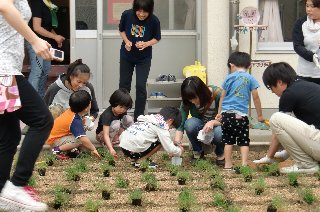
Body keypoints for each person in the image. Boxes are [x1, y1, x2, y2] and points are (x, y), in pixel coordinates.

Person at [0, 0, 54, 211]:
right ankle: (17, 185)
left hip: (7, 68)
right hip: (4, 71)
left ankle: (3, 192)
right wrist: (34, 40)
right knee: (42, 120)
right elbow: (4, 6)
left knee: (8, 136)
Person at [260, 62, 320, 174]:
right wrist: (286, 153)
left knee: (276, 119)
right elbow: (299, 132)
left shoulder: (289, 94)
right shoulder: (307, 87)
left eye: (270, 87)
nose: (272, 91)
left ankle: (306, 165)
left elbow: (278, 132)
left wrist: (269, 156)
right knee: (290, 120)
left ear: (279, 82)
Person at [215, 52, 265, 170]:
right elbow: (256, 97)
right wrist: (260, 115)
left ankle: (227, 164)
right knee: (243, 140)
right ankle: (243, 164)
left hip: (227, 115)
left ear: (232, 65)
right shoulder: (250, 78)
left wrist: (219, 113)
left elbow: (222, 96)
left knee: (228, 141)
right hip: (241, 116)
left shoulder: (228, 78)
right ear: (249, 66)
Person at [119, 0, 161, 121]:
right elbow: (121, 30)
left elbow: (157, 38)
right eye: (139, 11)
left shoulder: (154, 20)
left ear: (150, 10)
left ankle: (139, 118)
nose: (141, 14)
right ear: (134, 8)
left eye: (145, 12)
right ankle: (122, 116)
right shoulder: (127, 15)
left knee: (141, 86)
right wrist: (126, 41)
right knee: (124, 85)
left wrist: (146, 43)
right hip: (127, 55)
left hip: (144, 58)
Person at [174, 76, 225, 166]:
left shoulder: (218, 94)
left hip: (217, 125)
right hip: (201, 127)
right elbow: (181, 123)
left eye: (194, 98)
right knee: (189, 124)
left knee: (219, 132)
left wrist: (212, 122)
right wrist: (176, 145)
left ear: (201, 92)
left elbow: (226, 120)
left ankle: (220, 153)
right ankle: (197, 152)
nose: (192, 101)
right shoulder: (188, 101)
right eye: (189, 99)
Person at [119, 106, 183, 168]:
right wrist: (179, 151)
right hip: (132, 151)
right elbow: (170, 149)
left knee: (152, 138)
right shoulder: (162, 127)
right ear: (170, 121)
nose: (169, 129)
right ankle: (141, 161)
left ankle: (135, 159)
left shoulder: (150, 118)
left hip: (123, 146)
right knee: (160, 141)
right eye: (171, 127)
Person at [25, 0, 65, 97]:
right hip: (35, 42)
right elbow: (37, 27)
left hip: (46, 43)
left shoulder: (49, 5)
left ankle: (40, 98)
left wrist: (57, 37)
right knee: (37, 71)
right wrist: (55, 37)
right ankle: (31, 99)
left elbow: (47, 27)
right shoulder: (37, 2)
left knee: (45, 70)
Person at [48, 90, 101, 159]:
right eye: (90, 102)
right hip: (55, 140)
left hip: (56, 136)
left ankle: (68, 151)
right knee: (79, 140)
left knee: (81, 134)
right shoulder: (75, 120)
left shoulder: (72, 112)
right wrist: (93, 149)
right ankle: (55, 150)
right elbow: (83, 139)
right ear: (86, 108)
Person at [96, 88, 134, 159]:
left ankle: (124, 139)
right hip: (102, 135)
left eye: (125, 108)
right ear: (114, 103)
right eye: (121, 107)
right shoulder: (107, 115)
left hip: (114, 132)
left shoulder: (121, 111)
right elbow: (105, 134)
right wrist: (110, 149)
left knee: (128, 118)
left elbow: (124, 123)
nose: (123, 110)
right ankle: (108, 145)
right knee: (116, 124)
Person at [292, 0, 320, 85]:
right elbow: (297, 45)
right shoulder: (300, 23)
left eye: (312, 6)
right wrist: (311, 56)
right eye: (307, 6)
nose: (308, 9)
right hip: (305, 73)